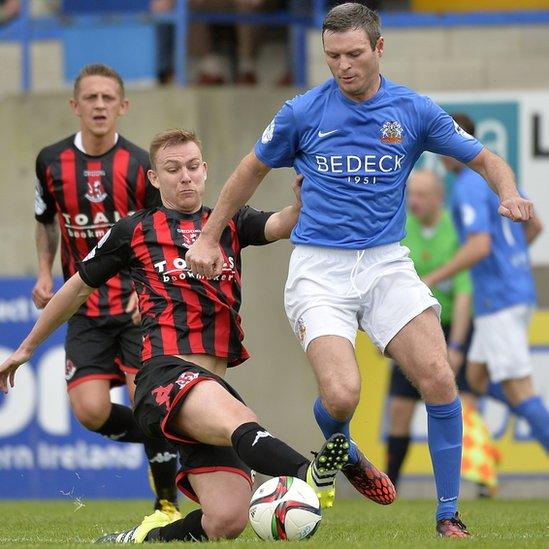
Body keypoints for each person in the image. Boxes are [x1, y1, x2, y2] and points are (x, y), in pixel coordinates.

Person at [184, 3, 534, 537]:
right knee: (344, 395)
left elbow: (486, 160)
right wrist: (209, 236)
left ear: (379, 48)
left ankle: (448, 515)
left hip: (386, 263)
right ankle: (341, 443)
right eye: (332, 56)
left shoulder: (412, 110)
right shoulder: (302, 111)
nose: (343, 66)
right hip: (319, 269)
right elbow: (247, 173)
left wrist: (509, 194)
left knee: (439, 378)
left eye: (353, 54)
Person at [1, 129, 349, 544]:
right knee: (242, 421)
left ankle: (137, 541)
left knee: (226, 520)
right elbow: (76, 288)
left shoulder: (229, 221)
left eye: (191, 167)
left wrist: (301, 202)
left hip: (210, 390)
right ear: (153, 178)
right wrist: (25, 348)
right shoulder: (134, 229)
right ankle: (306, 473)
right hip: (163, 376)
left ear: (204, 171)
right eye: (172, 169)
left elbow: (279, 224)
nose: (184, 177)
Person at [32, 63, 180, 517]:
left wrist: (150, 286)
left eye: (107, 98)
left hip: (137, 308)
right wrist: (43, 273)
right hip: (86, 307)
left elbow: (160, 231)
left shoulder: (138, 164)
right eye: (91, 98)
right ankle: (182, 437)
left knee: (148, 401)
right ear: (75, 105)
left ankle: (166, 504)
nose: (99, 106)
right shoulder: (50, 161)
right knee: (90, 412)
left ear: (123, 105)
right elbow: (45, 222)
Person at [424, 112, 549, 454]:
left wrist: (432, 278)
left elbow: (480, 246)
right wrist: (511, 262)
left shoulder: (466, 186)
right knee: (476, 377)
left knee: (519, 390)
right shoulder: (495, 178)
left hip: (498, 298)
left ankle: (538, 420)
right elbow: (534, 225)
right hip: (518, 287)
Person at [386, 169, 473, 488]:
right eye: (411, 193)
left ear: (439, 197)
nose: (414, 201)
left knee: (465, 407)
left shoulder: (456, 230)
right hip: (411, 324)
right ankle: (389, 485)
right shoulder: (400, 227)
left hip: (451, 326)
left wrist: (458, 346)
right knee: (398, 409)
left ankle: (472, 483)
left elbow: (464, 293)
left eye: (422, 195)